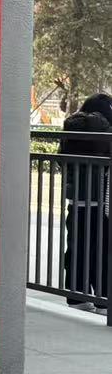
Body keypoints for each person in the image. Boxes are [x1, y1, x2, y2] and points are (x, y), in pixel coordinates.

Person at [61, 93, 112, 308]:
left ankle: (76, 297)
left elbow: (61, 159)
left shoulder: (71, 126)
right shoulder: (104, 129)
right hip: (101, 199)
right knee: (103, 251)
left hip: (77, 199)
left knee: (76, 248)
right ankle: (103, 300)